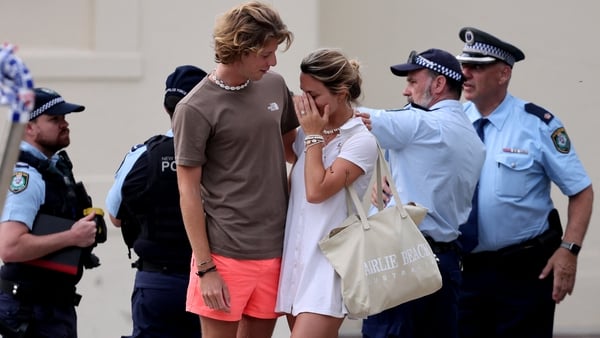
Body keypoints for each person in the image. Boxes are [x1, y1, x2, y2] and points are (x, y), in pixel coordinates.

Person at [454, 27, 594, 338]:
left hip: (524, 271)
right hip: (465, 271)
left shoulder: (537, 124)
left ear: (503, 74)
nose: (465, 73)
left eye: (476, 67)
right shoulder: (450, 122)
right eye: (464, 65)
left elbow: (581, 191)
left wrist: (569, 250)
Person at [171, 2, 297, 338]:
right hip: (224, 256)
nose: (273, 62)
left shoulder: (274, 85)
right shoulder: (195, 107)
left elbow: (295, 151)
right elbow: (187, 191)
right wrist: (205, 268)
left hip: (276, 250)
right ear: (239, 48)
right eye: (265, 54)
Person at [355, 48, 486, 338]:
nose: (406, 91)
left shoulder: (422, 123)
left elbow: (352, 119)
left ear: (438, 84)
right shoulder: (471, 136)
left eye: (413, 82)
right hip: (445, 265)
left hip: (404, 259)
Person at [274, 48, 378, 337]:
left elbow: (316, 190)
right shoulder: (310, 132)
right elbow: (283, 150)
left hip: (329, 267)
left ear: (341, 93)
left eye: (314, 95)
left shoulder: (360, 141)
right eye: (302, 92)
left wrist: (314, 135)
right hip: (295, 260)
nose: (306, 102)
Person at [105, 65, 207, 338]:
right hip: (209, 283)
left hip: (156, 284)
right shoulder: (224, 157)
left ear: (167, 108)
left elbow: (114, 216)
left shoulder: (143, 155)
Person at [0, 87, 104, 337]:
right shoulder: (25, 177)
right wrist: (72, 236)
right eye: (54, 119)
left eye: (64, 118)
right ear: (29, 128)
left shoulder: (52, 170)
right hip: (29, 311)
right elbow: (9, 247)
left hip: (52, 307)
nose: (64, 124)